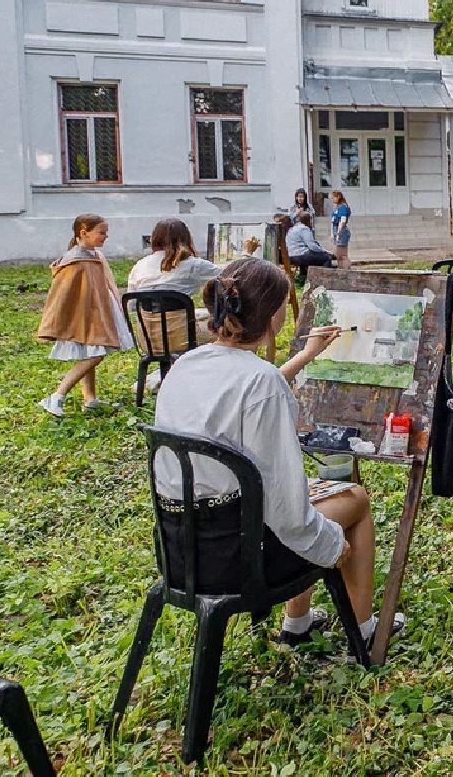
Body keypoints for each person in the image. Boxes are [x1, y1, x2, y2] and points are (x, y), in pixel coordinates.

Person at [151, 257, 400, 643]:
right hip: (240, 558)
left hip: (181, 550)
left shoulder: (185, 365)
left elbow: (239, 396)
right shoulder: (261, 382)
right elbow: (289, 514)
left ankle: (298, 624)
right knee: (356, 500)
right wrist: (332, 546)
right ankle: (365, 628)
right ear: (272, 317)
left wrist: (305, 355)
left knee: (308, 500)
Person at [36, 213, 134, 416]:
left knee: (90, 351)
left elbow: (102, 284)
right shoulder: (74, 260)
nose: (106, 236)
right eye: (102, 233)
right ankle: (57, 395)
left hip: (98, 310)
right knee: (97, 354)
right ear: (84, 233)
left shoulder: (93, 255)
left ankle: (90, 398)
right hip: (84, 314)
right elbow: (63, 294)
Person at [127, 218, 223, 356]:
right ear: (186, 238)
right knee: (223, 329)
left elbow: (131, 304)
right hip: (183, 339)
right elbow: (229, 275)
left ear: (154, 239)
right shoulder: (194, 265)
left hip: (148, 341)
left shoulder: (139, 266)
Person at [284, 210, 335, 282]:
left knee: (311, 256)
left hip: (291, 256)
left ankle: (303, 279)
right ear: (307, 220)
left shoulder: (292, 229)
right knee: (326, 258)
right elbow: (312, 246)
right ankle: (324, 280)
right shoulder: (304, 229)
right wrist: (325, 252)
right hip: (300, 256)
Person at [329, 190, 352, 270]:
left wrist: (339, 233)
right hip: (336, 230)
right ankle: (341, 269)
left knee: (342, 255)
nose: (332, 200)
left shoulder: (343, 207)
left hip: (341, 231)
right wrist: (332, 234)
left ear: (338, 197)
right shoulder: (337, 208)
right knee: (338, 255)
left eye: (333, 198)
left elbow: (342, 221)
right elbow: (333, 221)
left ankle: (346, 270)